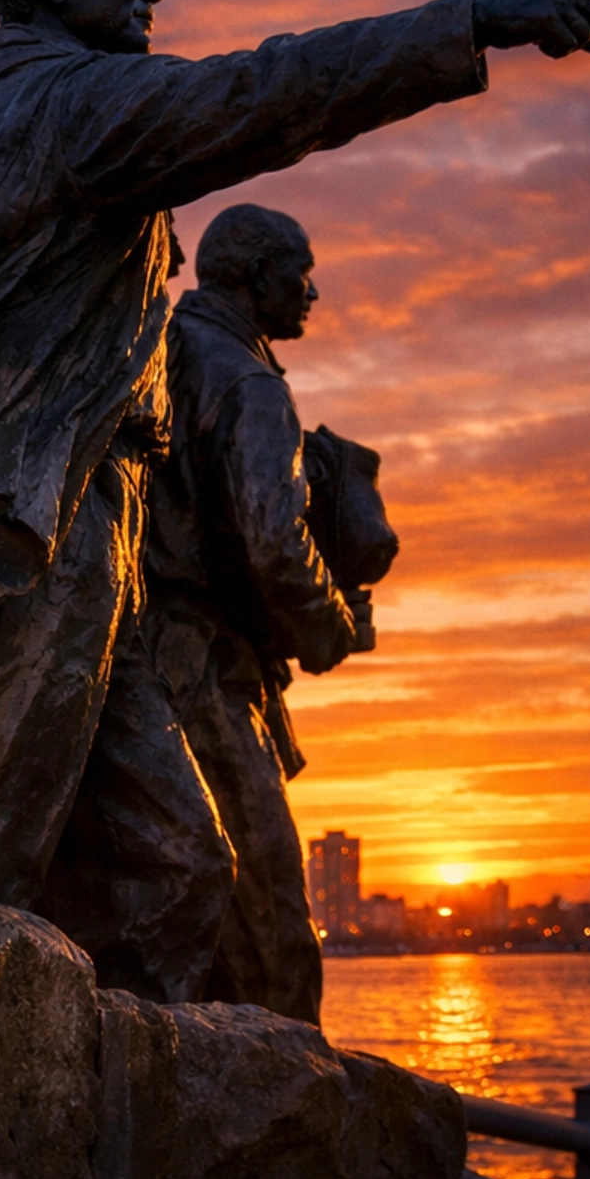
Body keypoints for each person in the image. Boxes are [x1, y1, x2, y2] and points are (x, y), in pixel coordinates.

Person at [0, 0, 590, 1004]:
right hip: (23, 536)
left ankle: (107, 1137)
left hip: (30, 547)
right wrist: (473, 20)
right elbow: (270, 91)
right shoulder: (73, 106)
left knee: (176, 867)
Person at [144, 204, 361, 1026]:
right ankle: (287, 1105)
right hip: (203, 667)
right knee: (270, 906)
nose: (312, 291)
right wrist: (330, 624)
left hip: (151, 658)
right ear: (252, 272)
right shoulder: (244, 378)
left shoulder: (166, 343)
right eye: (300, 271)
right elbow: (272, 542)